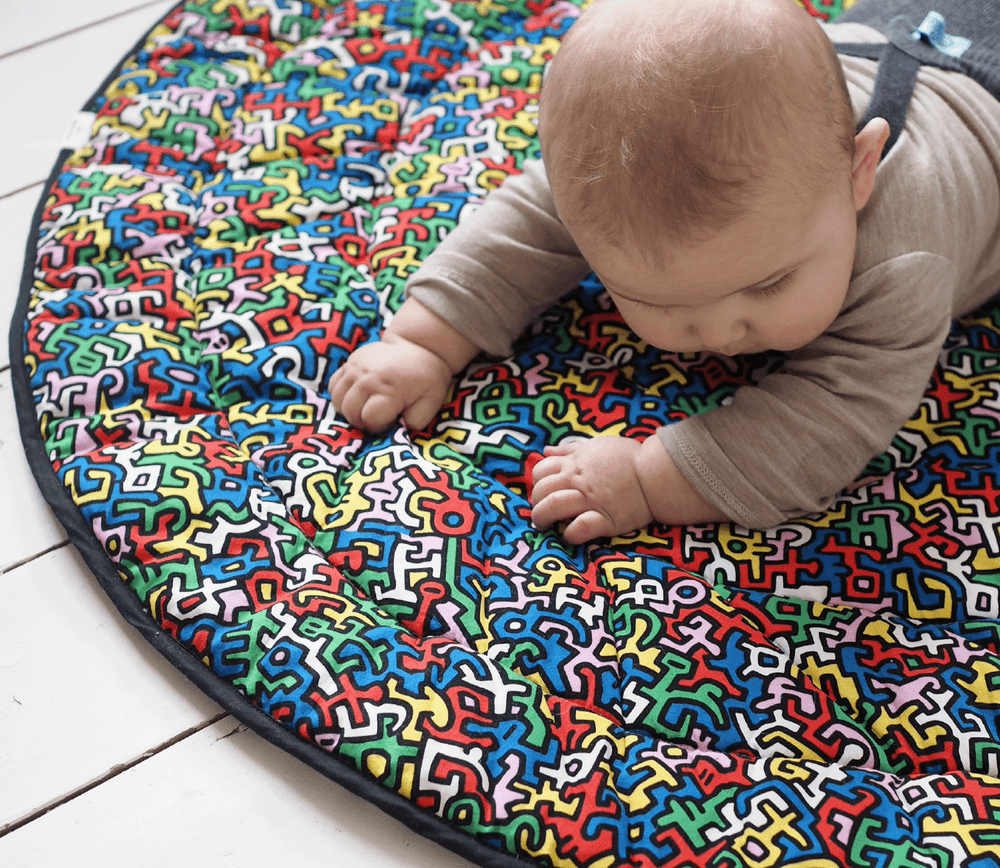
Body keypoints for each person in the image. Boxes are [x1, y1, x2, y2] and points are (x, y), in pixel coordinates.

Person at [327, 0, 1000, 542]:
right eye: (656, 298)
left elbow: (834, 418)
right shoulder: (614, 185)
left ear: (857, 173)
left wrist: (653, 479)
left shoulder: (905, 257)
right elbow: (522, 226)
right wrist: (424, 340)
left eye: (769, 284)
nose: (723, 332)